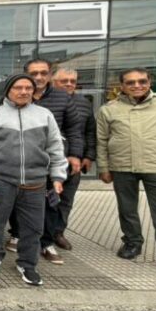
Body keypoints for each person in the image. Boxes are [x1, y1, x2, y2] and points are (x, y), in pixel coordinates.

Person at [97, 68, 156, 281]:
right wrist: (103, 167)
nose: (136, 86)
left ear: (149, 82)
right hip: (122, 167)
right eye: (130, 83)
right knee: (127, 209)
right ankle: (132, 242)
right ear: (122, 86)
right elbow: (102, 141)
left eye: (141, 81)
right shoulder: (109, 109)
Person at [0, 74, 67, 287]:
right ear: (8, 90)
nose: (24, 91)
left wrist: (57, 176)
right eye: (18, 87)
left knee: (33, 227)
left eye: (28, 88)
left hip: (35, 180)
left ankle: (27, 263)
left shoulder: (44, 115)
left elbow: (55, 147)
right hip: (1, 178)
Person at [7, 59, 84, 266]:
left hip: (50, 162)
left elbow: (75, 129)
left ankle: (46, 242)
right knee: (18, 200)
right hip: (21, 161)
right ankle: (17, 234)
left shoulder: (62, 97)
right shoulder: (14, 97)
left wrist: (75, 154)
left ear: (49, 75)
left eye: (43, 73)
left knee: (50, 203)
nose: (38, 77)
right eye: (34, 73)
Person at [51, 67, 97, 253]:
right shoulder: (45, 101)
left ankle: (58, 232)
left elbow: (89, 131)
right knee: (47, 199)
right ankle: (41, 234)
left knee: (66, 199)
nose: (69, 84)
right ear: (54, 82)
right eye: (64, 81)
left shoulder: (84, 103)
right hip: (51, 161)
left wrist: (88, 155)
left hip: (74, 162)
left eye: (72, 81)